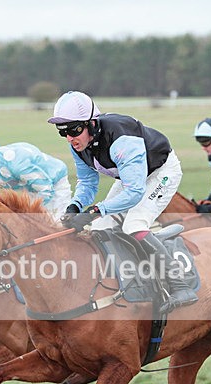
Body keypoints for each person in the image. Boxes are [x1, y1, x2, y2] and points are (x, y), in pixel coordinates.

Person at [48, 90, 197, 312]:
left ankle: (179, 285)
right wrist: (75, 207)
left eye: (74, 130)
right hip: (131, 176)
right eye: (63, 132)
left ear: (91, 123)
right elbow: (88, 184)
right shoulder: (78, 145)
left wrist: (96, 210)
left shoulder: (121, 138)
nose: (70, 138)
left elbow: (135, 192)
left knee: (134, 224)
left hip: (160, 173)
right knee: (100, 226)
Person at [0, 127, 71, 219]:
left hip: (54, 184)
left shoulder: (17, 166)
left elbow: (46, 190)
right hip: (32, 188)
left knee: (56, 223)